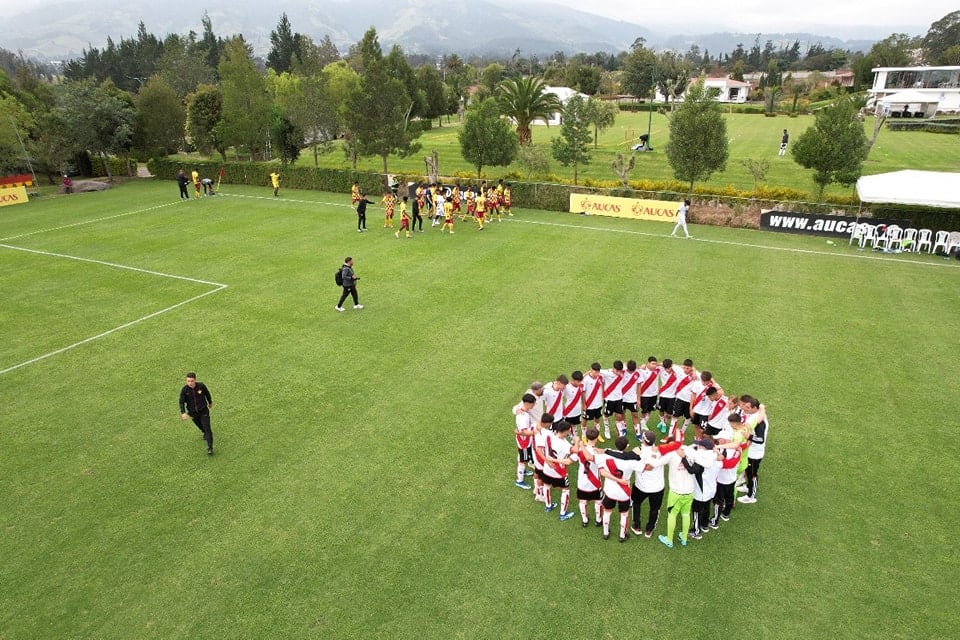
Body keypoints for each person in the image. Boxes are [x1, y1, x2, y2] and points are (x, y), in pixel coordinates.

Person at [542, 421, 577, 521]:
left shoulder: (549, 436)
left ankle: (548, 506)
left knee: (547, 486)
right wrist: (577, 441)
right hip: (559, 472)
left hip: (547, 468)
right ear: (565, 431)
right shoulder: (563, 445)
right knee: (565, 490)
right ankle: (563, 513)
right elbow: (575, 450)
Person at [179, 372, 214, 455]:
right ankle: (204, 432)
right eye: (188, 381)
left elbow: (207, 394)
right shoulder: (184, 390)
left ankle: (210, 447)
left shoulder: (201, 386)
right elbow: (181, 402)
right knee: (200, 426)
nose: (190, 383)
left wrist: (210, 402)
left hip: (203, 411)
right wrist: (183, 412)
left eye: (192, 381)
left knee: (207, 428)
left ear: (195, 380)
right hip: (192, 413)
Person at [512, 393, 537, 489]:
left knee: (522, 457)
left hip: (523, 440)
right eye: (533, 404)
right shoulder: (523, 416)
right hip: (524, 441)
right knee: (522, 460)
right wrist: (536, 432)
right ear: (528, 404)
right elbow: (524, 432)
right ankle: (520, 481)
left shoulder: (521, 410)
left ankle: (523, 471)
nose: (534, 405)